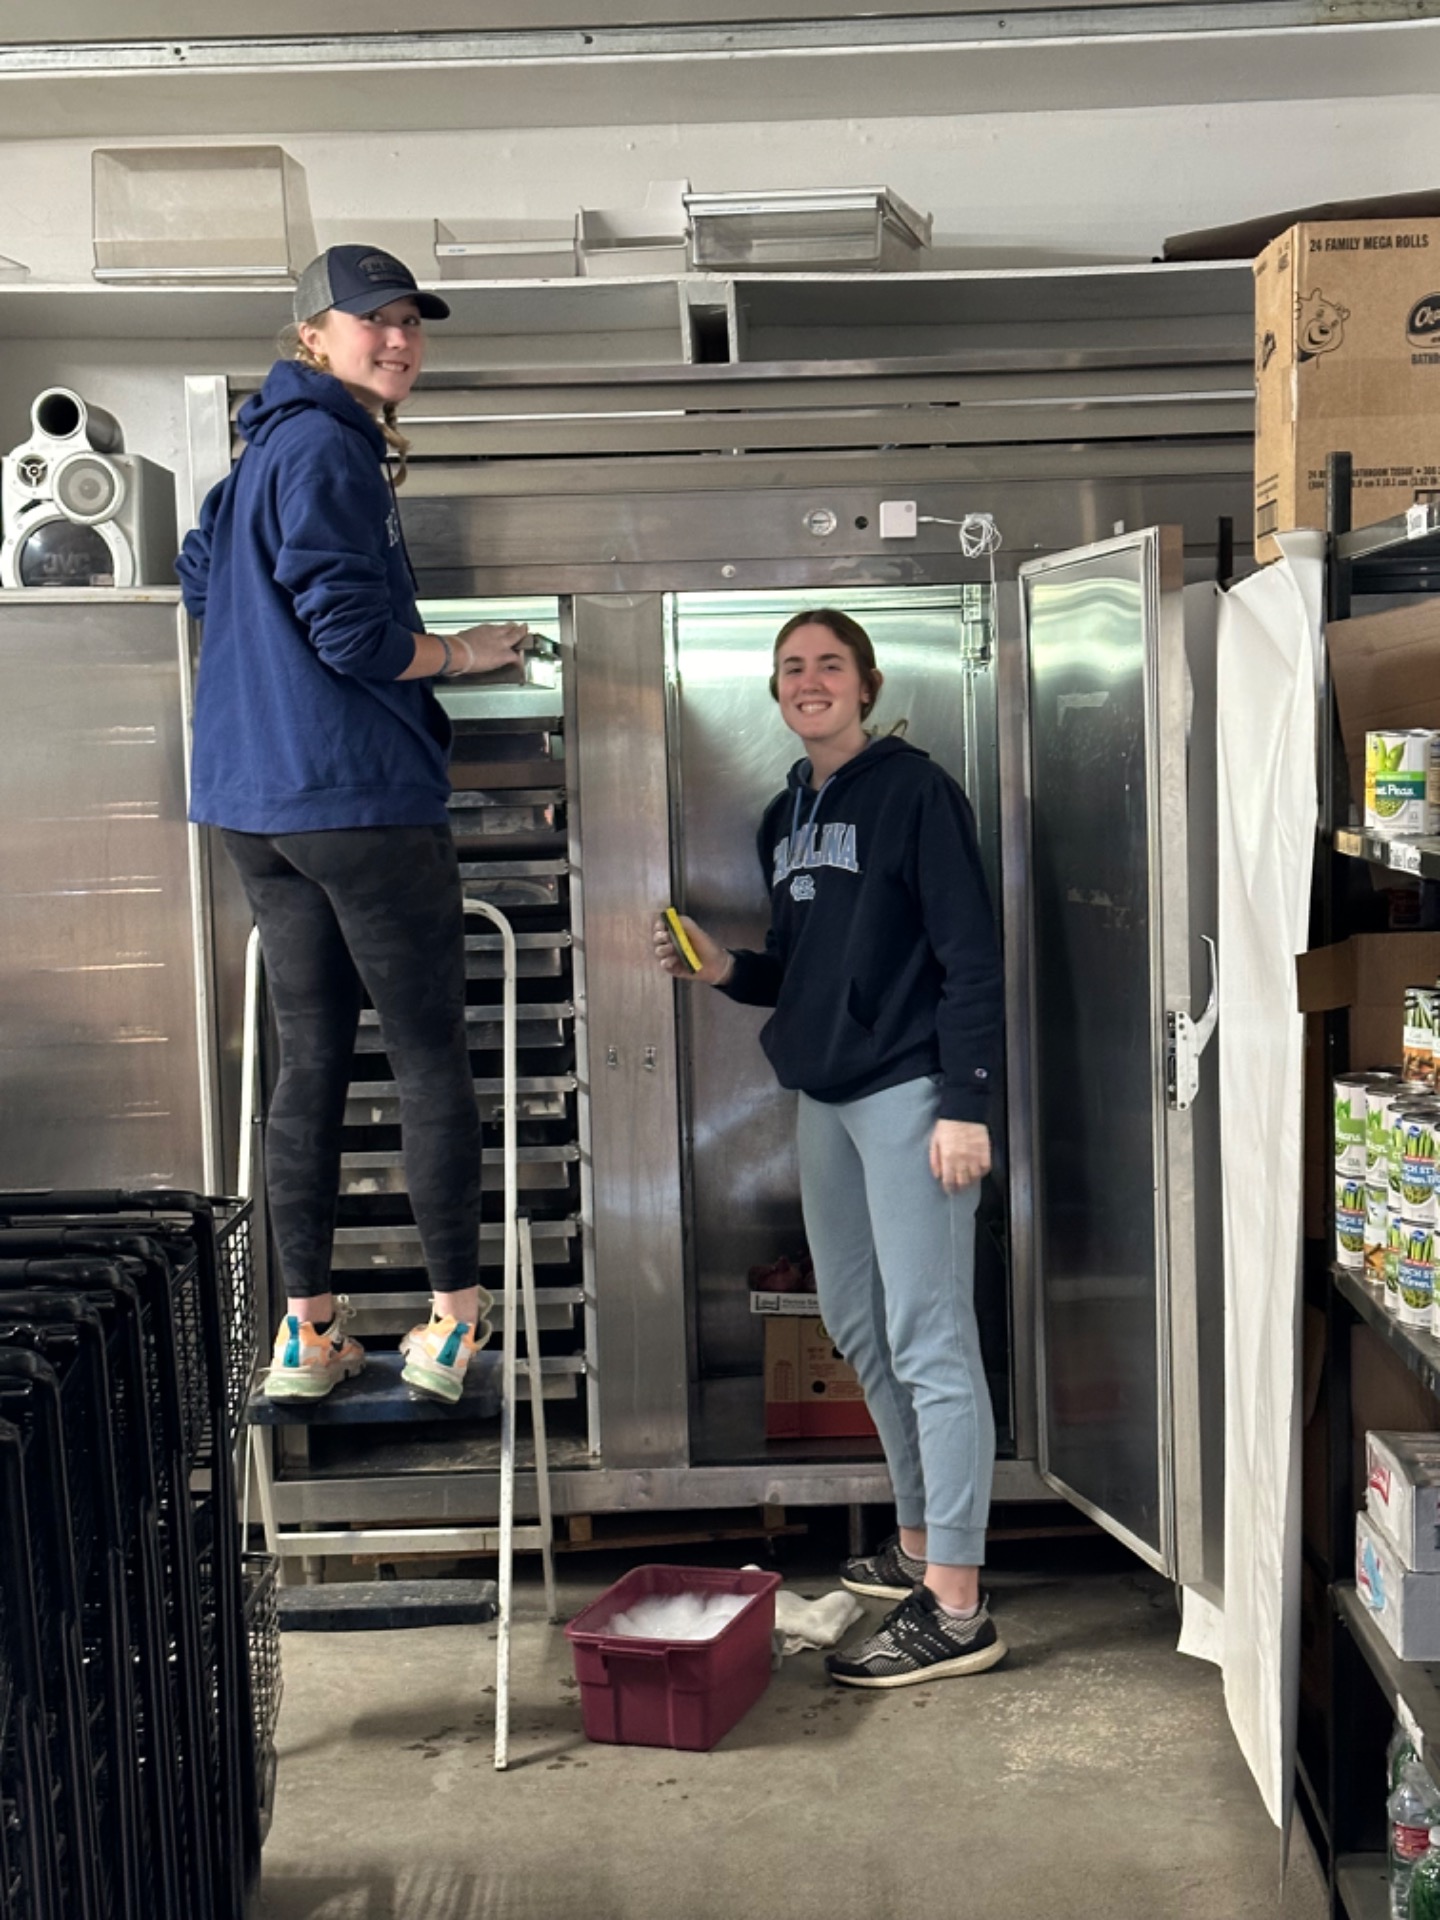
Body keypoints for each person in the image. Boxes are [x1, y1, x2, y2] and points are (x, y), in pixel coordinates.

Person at [178, 245, 528, 1406]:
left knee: (312, 1058)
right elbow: (354, 637)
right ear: (311, 336)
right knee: (429, 1055)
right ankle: (449, 1327)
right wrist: (468, 655)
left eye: (410, 323)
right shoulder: (330, 446)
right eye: (371, 320)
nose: (398, 340)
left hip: (252, 808)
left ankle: (308, 1335)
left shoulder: (255, 455)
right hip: (357, 800)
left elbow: (199, 573)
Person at [655, 608, 1007, 1688]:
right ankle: (914, 1547)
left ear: (865, 684)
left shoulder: (915, 793)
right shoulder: (786, 814)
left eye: (829, 665)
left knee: (930, 1332)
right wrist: (727, 971)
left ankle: (958, 1609)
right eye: (792, 669)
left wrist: (967, 1103)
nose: (810, 681)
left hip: (911, 1095)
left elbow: (970, 954)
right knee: (860, 1323)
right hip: (826, 1097)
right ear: (777, 695)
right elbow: (804, 966)